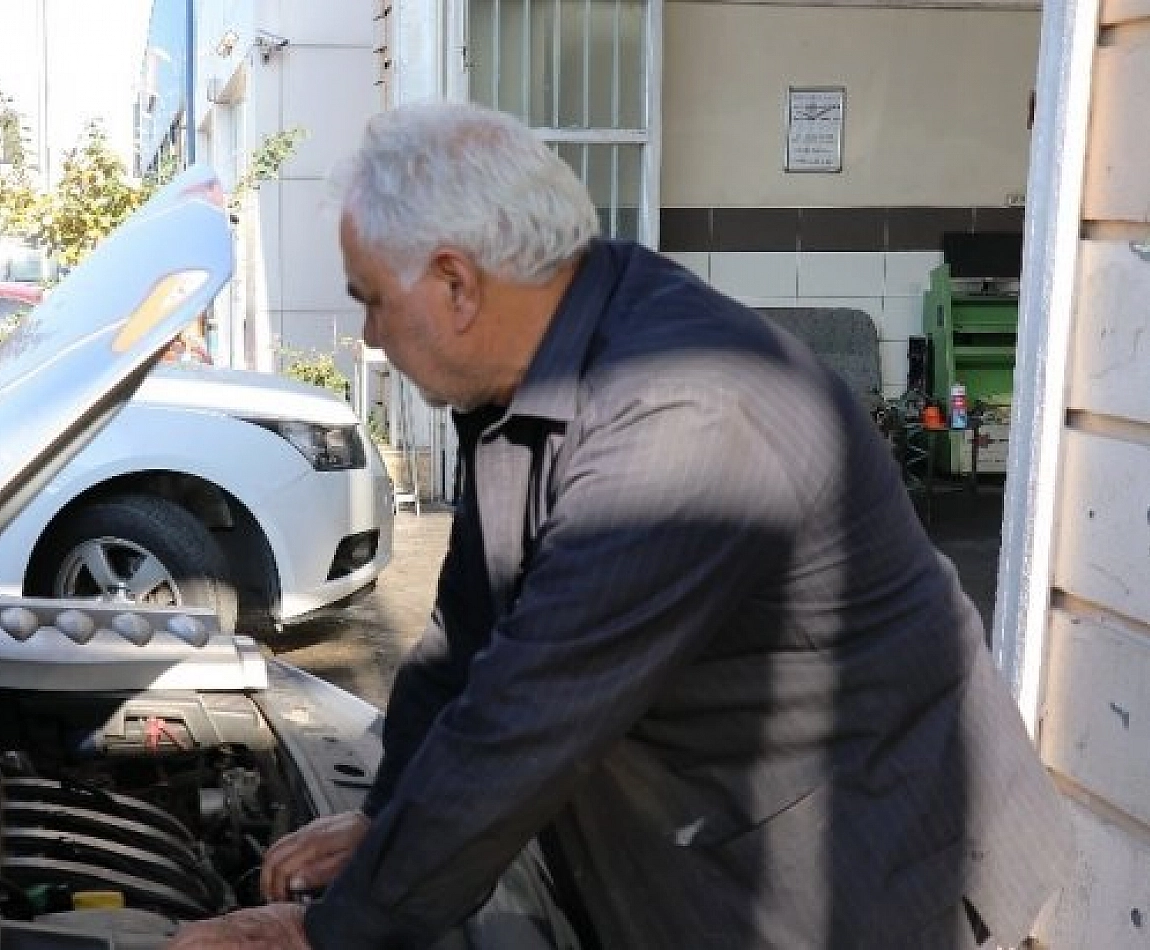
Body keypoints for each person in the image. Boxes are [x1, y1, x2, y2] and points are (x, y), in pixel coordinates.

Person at [167, 101, 1071, 949]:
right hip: (727, 836)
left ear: (455, 283)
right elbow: (469, 634)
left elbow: (526, 718)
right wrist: (386, 817)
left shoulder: (681, 419)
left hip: (873, 868)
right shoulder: (527, 371)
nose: (368, 334)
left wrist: (329, 933)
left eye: (369, 297)